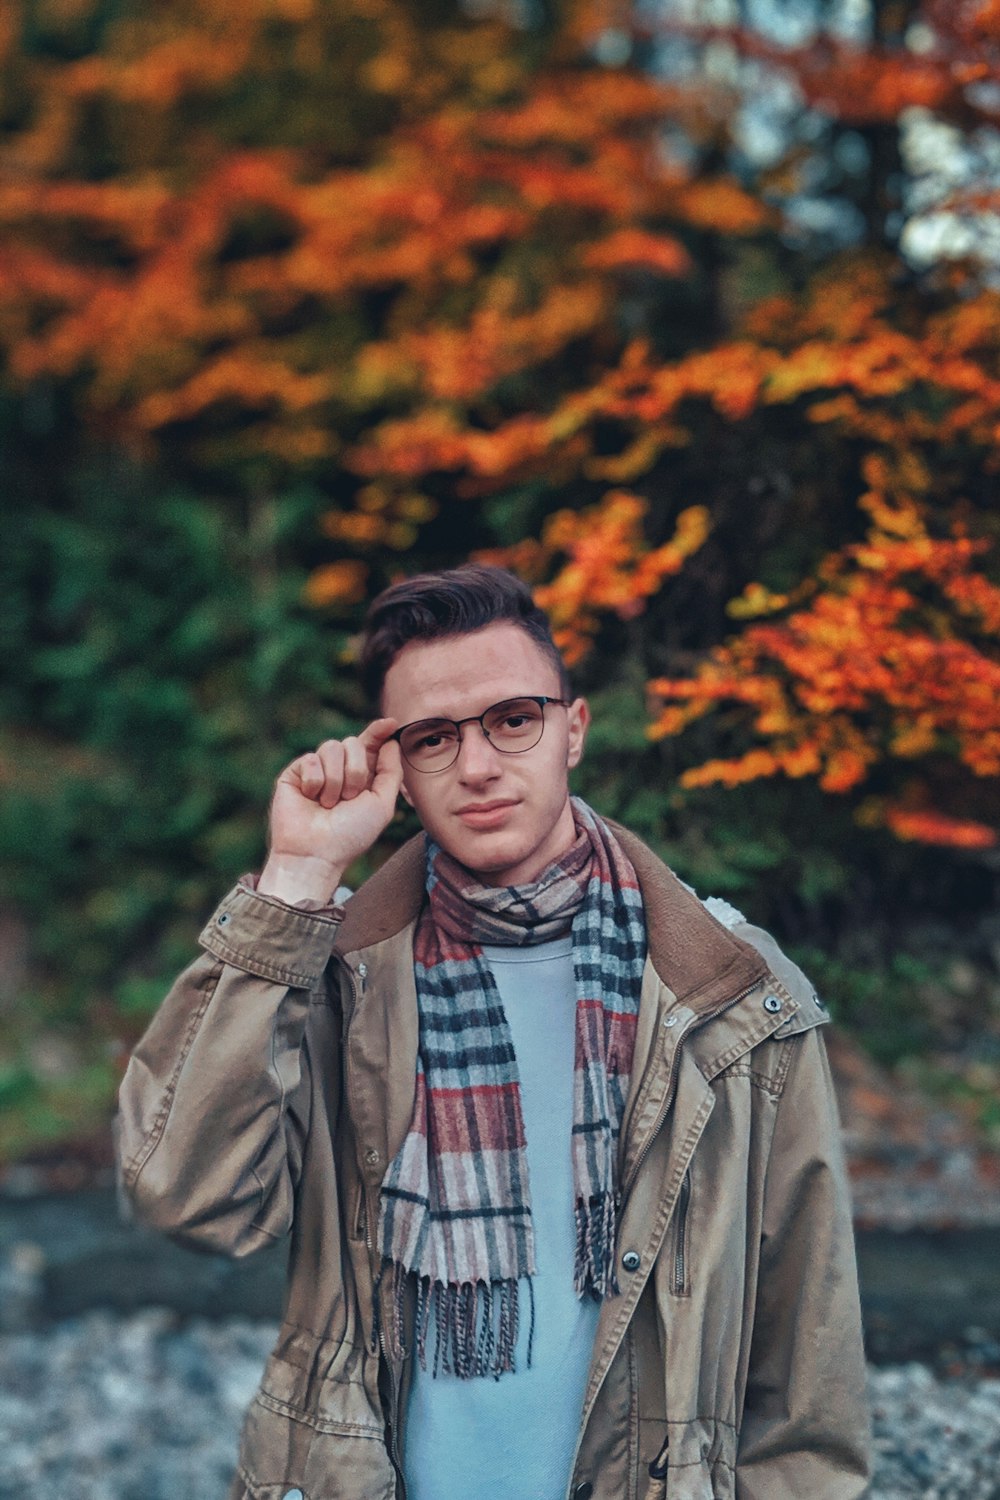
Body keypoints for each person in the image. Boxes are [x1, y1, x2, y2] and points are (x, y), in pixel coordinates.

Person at [115, 564, 872, 1500]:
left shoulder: (733, 997)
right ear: (396, 768)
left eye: (514, 719)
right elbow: (190, 1200)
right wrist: (296, 879)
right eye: (434, 738)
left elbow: (807, 1378)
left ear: (573, 729)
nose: (477, 766)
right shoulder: (339, 977)